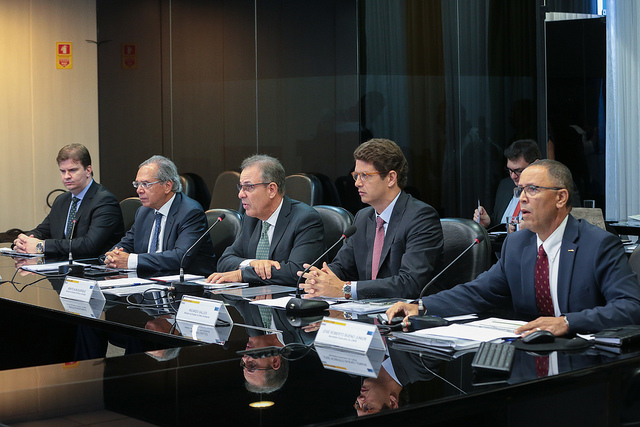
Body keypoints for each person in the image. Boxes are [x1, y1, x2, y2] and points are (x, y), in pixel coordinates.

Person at [388, 159, 640, 336]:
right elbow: (477, 293)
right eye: (520, 190)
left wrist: (567, 322)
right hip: (531, 352)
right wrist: (420, 305)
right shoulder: (518, 244)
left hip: (586, 360)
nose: (522, 198)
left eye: (532, 189)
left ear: (561, 198)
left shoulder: (598, 244)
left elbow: (630, 306)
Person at [299, 138, 443, 300]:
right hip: (367, 311)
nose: (357, 183)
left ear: (391, 178)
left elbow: (410, 283)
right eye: (356, 175)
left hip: (406, 314)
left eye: (365, 176)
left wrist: (346, 288)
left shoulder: (421, 217)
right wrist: (320, 278)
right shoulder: (363, 217)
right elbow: (343, 266)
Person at [207, 154, 324, 285]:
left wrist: (243, 274)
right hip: (255, 299)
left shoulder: (305, 219)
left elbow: (297, 272)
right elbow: (224, 261)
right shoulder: (251, 219)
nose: (240, 194)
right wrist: (253, 263)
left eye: (249, 187)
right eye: (240, 187)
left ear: (272, 189)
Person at [103, 155, 214, 274]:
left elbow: (180, 257)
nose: (139, 190)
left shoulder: (190, 212)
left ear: (167, 186)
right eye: (137, 184)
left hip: (185, 284)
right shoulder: (143, 212)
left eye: (146, 184)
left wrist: (131, 260)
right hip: (150, 279)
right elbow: (126, 244)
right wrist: (112, 257)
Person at [13, 143, 124, 257]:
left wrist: (41, 246)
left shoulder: (105, 201)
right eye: (62, 171)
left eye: (72, 170)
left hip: (95, 268)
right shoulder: (61, 200)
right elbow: (42, 231)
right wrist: (23, 241)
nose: (66, 176)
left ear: (88, 170)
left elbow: (89, 245)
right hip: (63, 265)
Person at [474, 139, 540, 230]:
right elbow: (499, 224)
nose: (513, 176)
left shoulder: (545, 192)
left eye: (519, 171)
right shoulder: (505, 185)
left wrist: (529, 229)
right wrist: (488, 223)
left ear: (535, 165)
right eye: (510, 170)